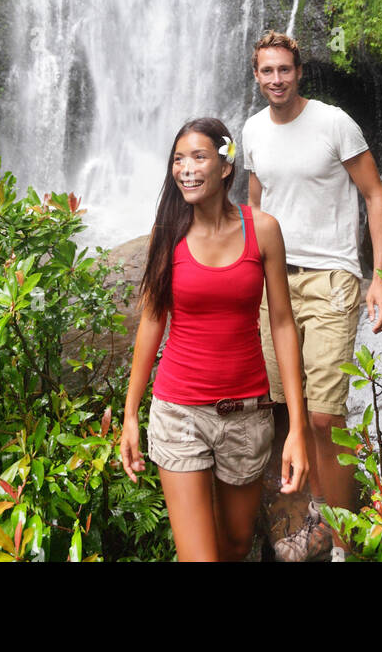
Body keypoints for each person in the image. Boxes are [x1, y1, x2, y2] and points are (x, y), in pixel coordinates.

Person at [119, 115, 310, 562]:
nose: (185, 168)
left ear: (225, 166)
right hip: (180, 411)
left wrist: (296, 428)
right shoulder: (167, 234)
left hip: (246, 414)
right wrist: (131, 414)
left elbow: (282, 323)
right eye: (178, 159)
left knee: (236, 546)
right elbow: (151, 320)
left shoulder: (262, 229)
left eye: (198, 157)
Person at [243, 31, 382, 562]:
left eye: (285, 69)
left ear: (299, 71)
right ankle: (296, 524)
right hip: (274, 280)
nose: (277, 79)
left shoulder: (333, 123)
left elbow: (375, 194)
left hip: (332, 278)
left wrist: (380, 275)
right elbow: (256, 203)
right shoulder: (253, 130)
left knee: (324, 417)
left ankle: (344, 542)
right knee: (282, 408)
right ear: (256, 75)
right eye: (267, 71)